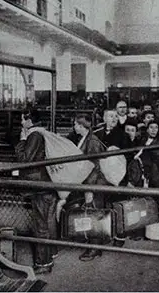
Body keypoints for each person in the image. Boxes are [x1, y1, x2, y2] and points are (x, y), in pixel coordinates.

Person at [15, 109, 58, 274]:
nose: (21, 123)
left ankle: (43, 263)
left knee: (41, 225)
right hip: (49, 183)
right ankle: (51, 253)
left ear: (29, 120)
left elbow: (25, 159)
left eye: (22, 119)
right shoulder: (44, 133)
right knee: (49, 221)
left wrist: (22, 140)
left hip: (39, 186)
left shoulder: (34, 136)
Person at [66, 114, 110, 261]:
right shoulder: (86, 139)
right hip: (90, 182)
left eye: (76, 125)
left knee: (94, 213)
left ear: (81, 126)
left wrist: (89, 189)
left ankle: (95, 248)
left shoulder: (92, 141)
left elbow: (93, 167)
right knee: (93, 212)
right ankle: (95, 244)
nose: (74, 127)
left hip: (94, 183)